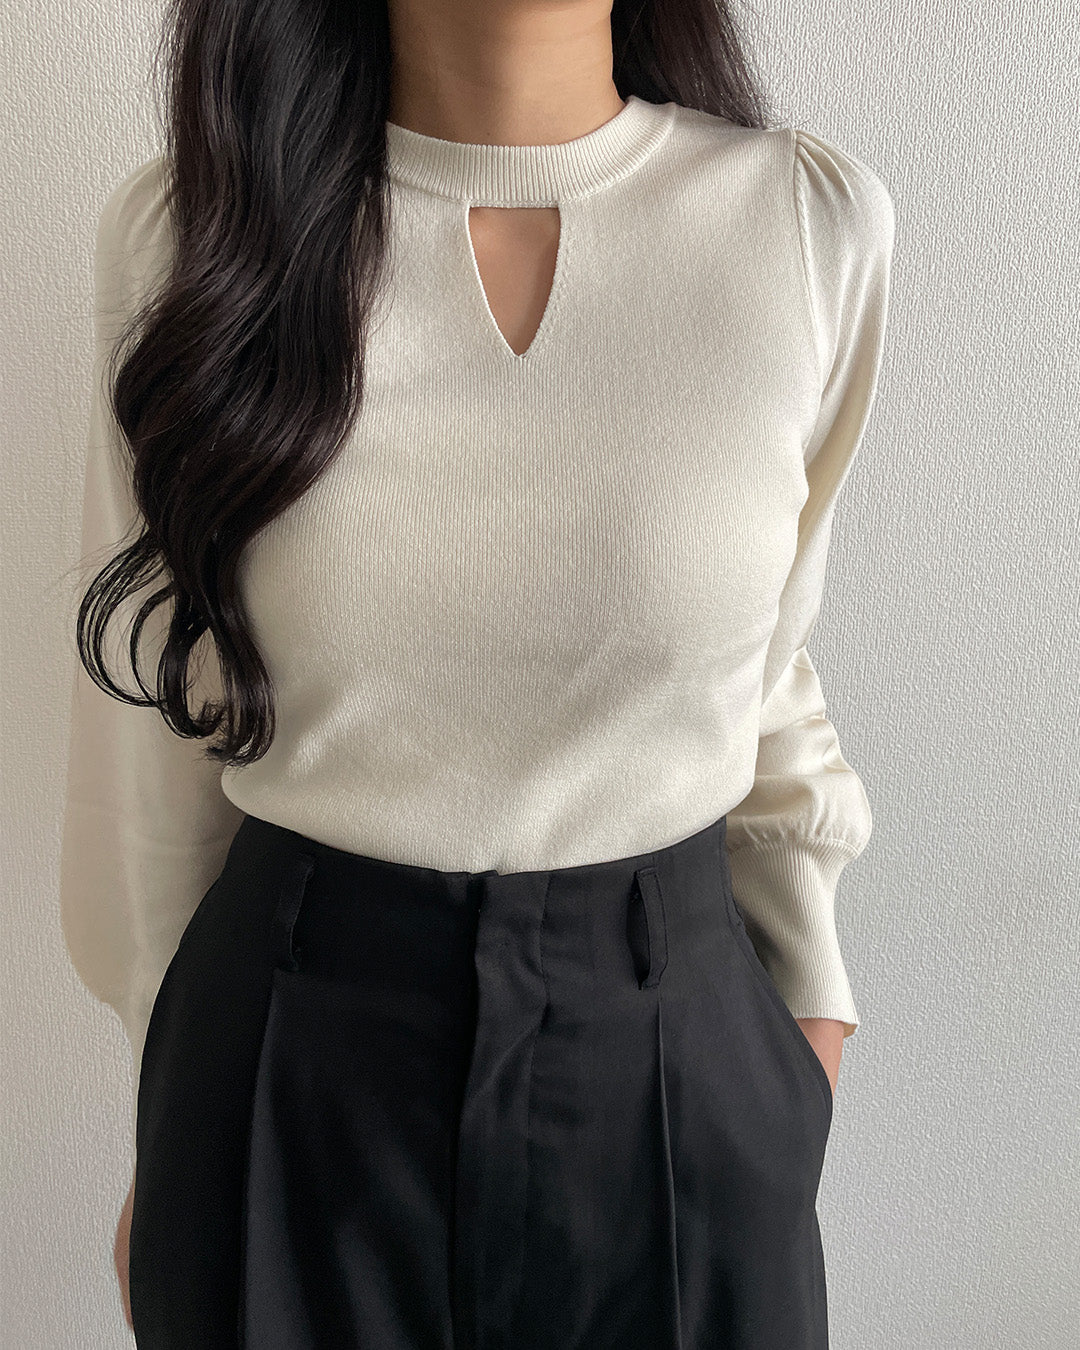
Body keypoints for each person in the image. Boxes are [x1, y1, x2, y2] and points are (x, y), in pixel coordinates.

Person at [59, 0, 895, 1345]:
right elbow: (159, 729)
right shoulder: (190, 237)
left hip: (680, 1059)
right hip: (290, 1073)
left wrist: (806, 1034)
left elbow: (763, 664)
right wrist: (182, 1131)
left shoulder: (804, 227)